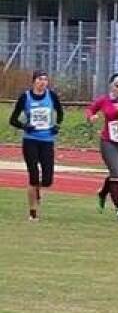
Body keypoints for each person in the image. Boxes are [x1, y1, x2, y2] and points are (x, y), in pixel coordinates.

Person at [10, 71, 63, 221]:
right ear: (34, 81)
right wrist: (25, 126)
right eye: (40, 79)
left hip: (47, 140)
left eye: (46, 79)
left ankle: (38, 190)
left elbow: (60, 112)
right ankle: (32, 212)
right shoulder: (25, 97)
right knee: (33, 176)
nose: (43, 82)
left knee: (47, 180)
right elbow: (13, 120)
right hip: (30, 140)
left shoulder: (51, 96)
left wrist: (56, 126)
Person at [85, 73, 118, 219]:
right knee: (116, 174)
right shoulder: (104, 100)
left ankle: (102, 193)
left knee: (116, 174)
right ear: (112, 87)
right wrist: (91, 117)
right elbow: (90, 109)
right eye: (117, 86)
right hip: (108, 142)